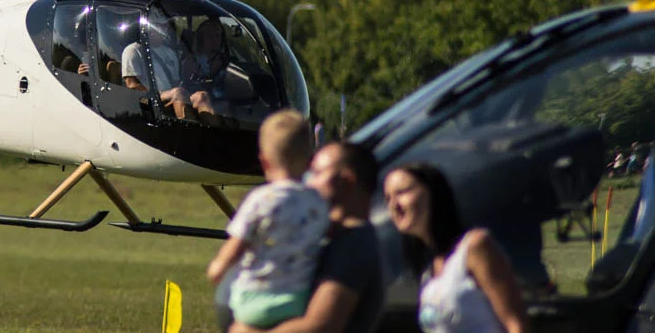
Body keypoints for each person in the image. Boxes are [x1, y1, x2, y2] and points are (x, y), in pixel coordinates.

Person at [227, 140, 384, 333]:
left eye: (316, 173)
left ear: (346, 180)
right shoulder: (334, 235)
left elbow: (320, 325)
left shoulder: (354, 245)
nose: (307, 181)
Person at [208, 111, 329, 328]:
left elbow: (237, 244)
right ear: (311, 160)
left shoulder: (260, 199)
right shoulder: (317, 202)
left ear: (264, 162)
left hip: (252, 299)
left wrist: (218, 266)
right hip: (297, 301)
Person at [383, 162, 528, 333]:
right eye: (388, 198)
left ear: (433, 193)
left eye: (402, 192)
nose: (394, 206)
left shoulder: (475, 247)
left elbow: (515, 324)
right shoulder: (429, 272)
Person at [122, 8, 216, 122]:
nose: (164, 30)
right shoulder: (133, 50)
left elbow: (177, 82)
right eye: (159, 26)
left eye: (165, 26)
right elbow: (132, 86)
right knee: (178, 93)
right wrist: (159, 95)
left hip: (173, 96)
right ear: (148, 27)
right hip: (151, 100)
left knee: (202, 96)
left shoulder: (170, 52)